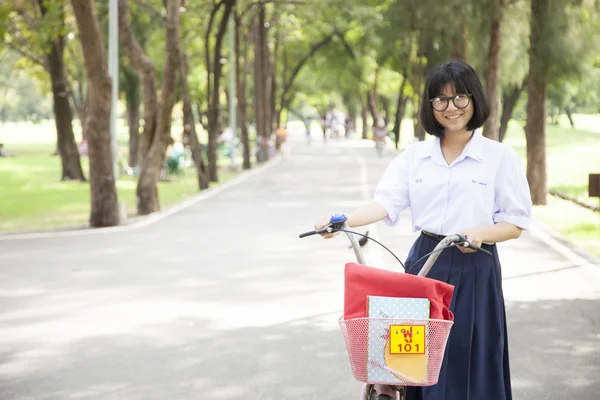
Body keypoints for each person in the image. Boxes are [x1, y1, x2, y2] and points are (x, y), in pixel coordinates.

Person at [315, 60, 532, 400]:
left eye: (460, 97)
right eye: (441, 100)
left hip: (475, 266)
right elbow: (385, 203)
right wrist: (343, 221)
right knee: (411, 362)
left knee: (467, 358)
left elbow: (515, 223)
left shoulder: (499, 157)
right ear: (431, 107)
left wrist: (480, 232)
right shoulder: (414, 157)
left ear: (475, 100)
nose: (451, 108)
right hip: (424, 265)